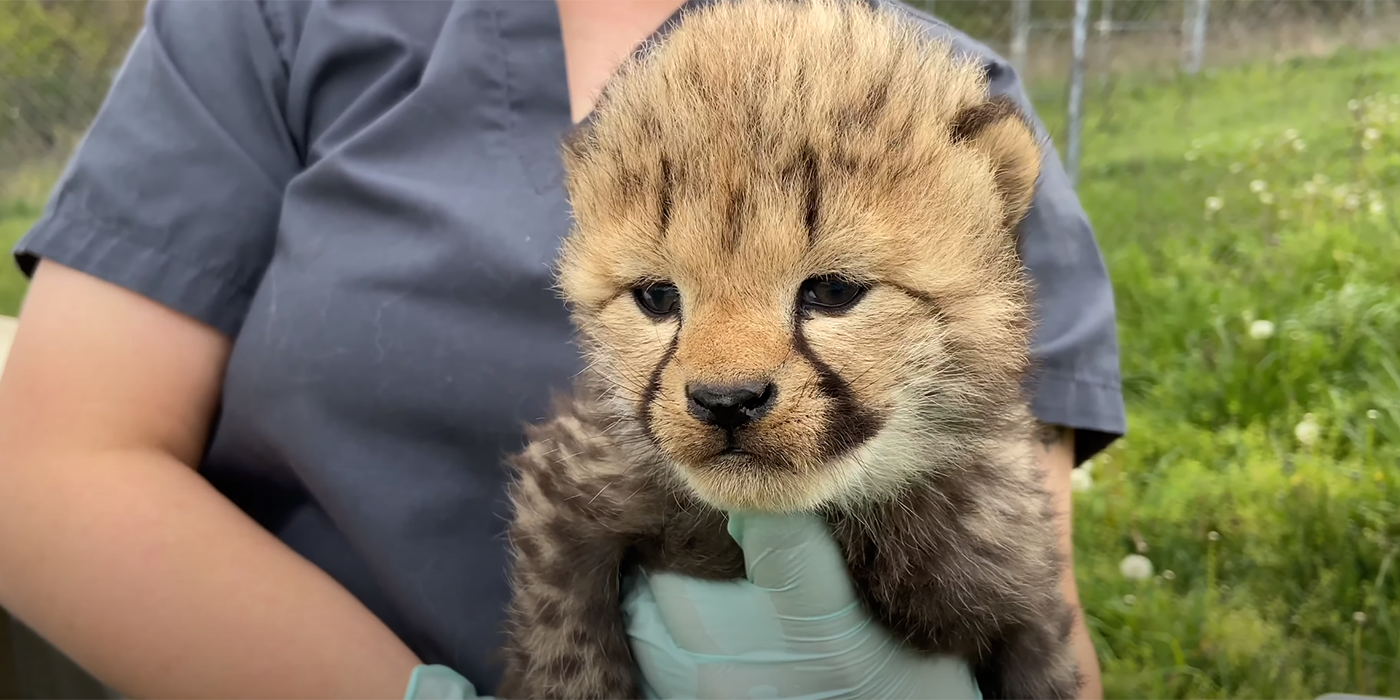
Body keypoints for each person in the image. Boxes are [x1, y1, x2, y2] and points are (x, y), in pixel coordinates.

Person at [0, 0, 1126, 698]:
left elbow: (1042, 608)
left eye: (828, 287)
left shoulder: (952, 106)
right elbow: (50, 472)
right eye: (655, 296)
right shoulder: (274, 21)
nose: (724, 372)